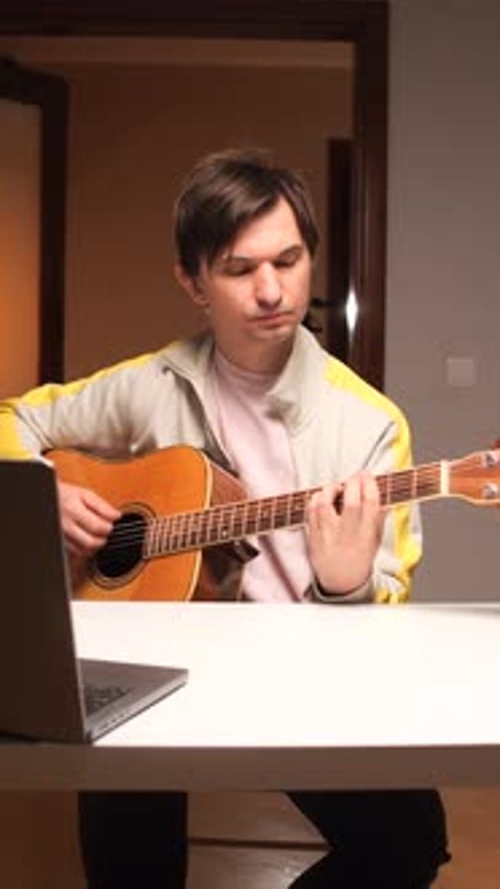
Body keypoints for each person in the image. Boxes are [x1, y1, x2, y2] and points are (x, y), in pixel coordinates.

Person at [0, 148, 450, 888]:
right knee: (127, 851)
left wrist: (343, 590)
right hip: (154, 659)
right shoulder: (150, 383)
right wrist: (44, 483)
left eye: (289, 260)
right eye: (241, 269)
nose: (272, 290)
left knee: (407, 839)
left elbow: (385, 618)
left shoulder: (372, 423)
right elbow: (15, 416)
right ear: (193, 281)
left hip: (298, 673)